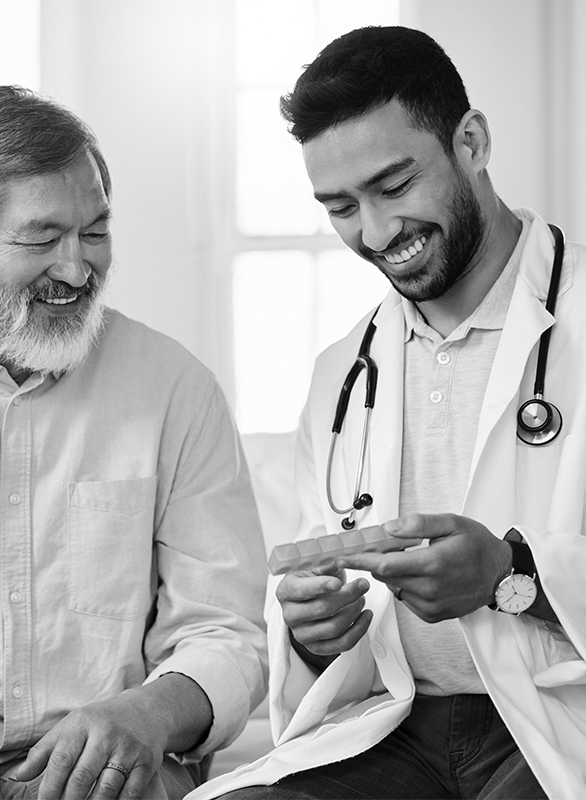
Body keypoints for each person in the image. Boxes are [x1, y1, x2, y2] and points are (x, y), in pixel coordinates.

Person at [187, 25, 586, 800]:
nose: (374, 234)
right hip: (399, 731)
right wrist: (312, 633)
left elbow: (513, 577)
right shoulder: (343, 372)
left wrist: (514, 575)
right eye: (340, 206)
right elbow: (329, 597)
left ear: (471, 142)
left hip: (558, 723)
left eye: (395, 187)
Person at [0, 85, 268, 800]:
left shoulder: (175, 387)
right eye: (41, 238)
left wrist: (150, 713)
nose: (76, 268)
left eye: (94, 231)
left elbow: (229, 631)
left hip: (114, 778)